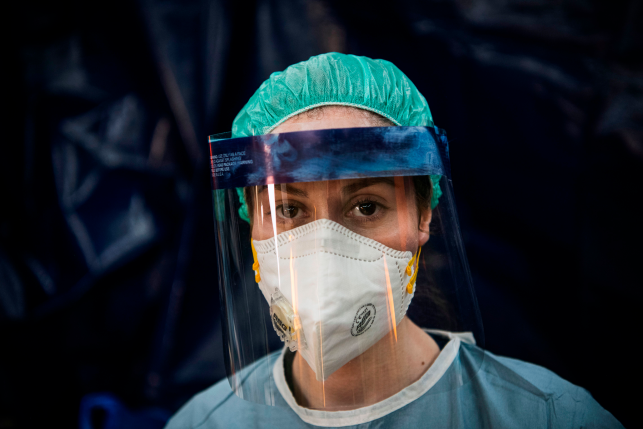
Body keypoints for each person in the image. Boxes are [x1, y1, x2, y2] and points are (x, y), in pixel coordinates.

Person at [165, 53, 623, 428]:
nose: (323, 246)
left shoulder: (549, 418)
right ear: (251, 223)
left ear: (424, 215)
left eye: (366, 206)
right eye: (288, 210)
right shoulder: (203, 424)